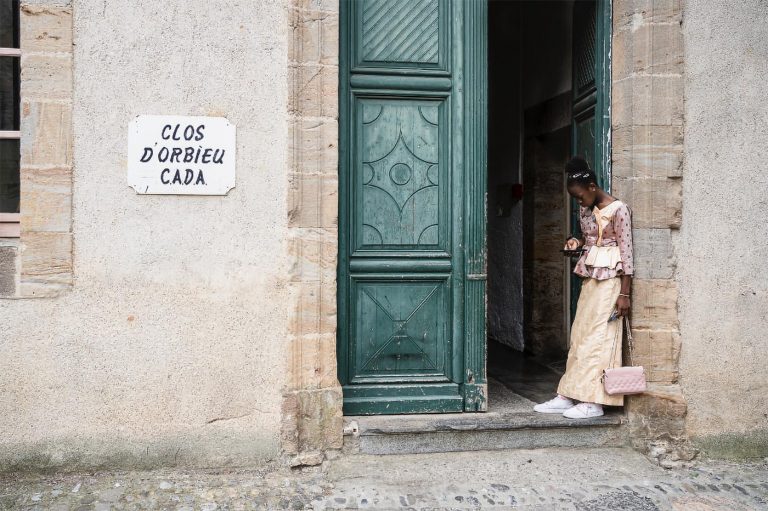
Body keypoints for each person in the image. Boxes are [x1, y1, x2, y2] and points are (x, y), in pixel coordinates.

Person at [534, 156, 634, 419]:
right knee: (580, 336)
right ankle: (568, 394)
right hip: (591, 277)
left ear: (592, 187)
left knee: (600, 338)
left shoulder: (619, 209)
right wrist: (576, 243)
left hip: (612, 282)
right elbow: (589, 239)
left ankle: (594, 402)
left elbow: (627, 253)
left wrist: (625, 293)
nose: (579, 203)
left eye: (580, 197)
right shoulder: (586, 209)